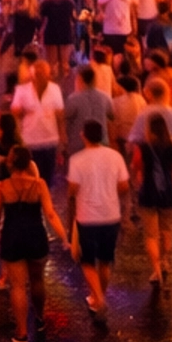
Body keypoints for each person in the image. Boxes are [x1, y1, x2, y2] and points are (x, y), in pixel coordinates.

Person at [0, 144, 64, 342]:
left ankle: (21, 333)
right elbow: (51, 214)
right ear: (29, 163)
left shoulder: (2, 186)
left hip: (12, 237)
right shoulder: (40, 185)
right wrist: (65, 238)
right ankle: (39, 318)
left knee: (18, 286)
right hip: (36, 235)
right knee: (37, 280)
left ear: (10, 163)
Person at [65, 116, 130, 321]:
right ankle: (96, 296)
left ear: (84, 136)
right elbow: (124, 186)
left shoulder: (77, 160)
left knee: (87, 262)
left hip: (87, 217)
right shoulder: (115, 157)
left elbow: (72, 191)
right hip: (111, 215)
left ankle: (99, 299)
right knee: (105, 261)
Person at [132, 108, 172, 290]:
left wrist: (136, 182)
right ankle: (164, 261)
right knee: (166, 230)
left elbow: (136, 167)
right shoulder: (171, 147)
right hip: (167, 193)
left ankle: (156, 270)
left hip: (148, 192)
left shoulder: (143, 147)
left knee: (151, 235)